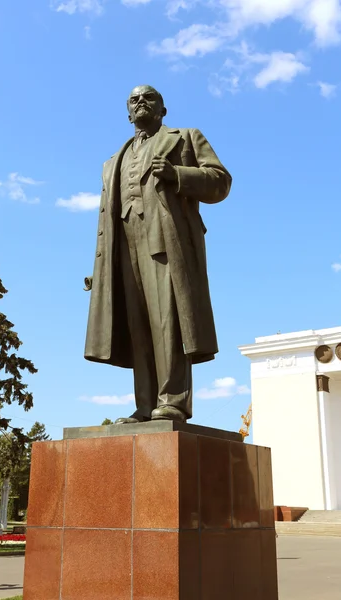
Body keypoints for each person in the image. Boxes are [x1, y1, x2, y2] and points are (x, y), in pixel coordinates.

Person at [85, 85, 232, 424]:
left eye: (149, 98)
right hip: (125, 247)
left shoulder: (185, 138)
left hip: (166, 242)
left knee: (169, 322)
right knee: (138, 328)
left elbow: (220, 181)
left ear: (163, 109)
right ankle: (145, 404)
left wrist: (177, 174)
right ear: (127, 113)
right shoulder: (112, 162)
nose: (141, 102)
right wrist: (103, 267)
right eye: (134, 99)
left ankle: (172, 402)